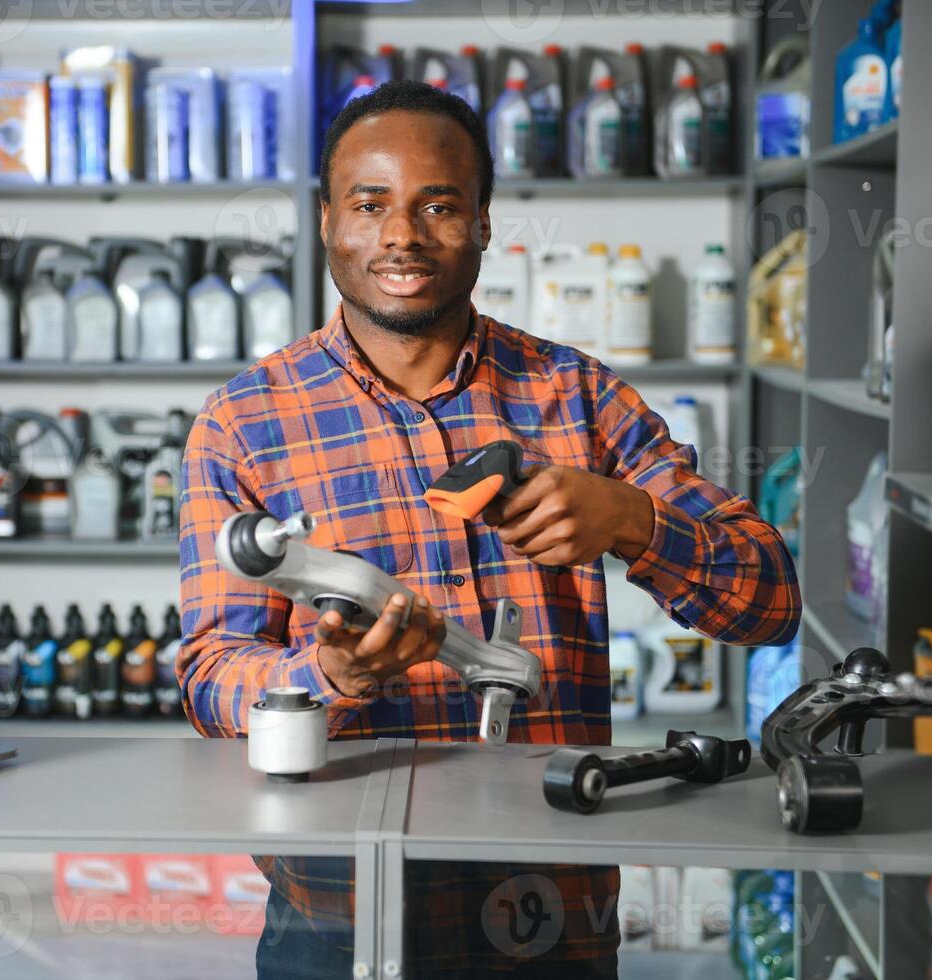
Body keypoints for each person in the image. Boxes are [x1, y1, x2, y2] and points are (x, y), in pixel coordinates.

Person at [177, 79, 801, 978]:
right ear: (325, 222)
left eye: (438, 204)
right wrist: (328, 674)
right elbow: (208, 681)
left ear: (481, 223)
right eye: (369, 205)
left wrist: (632, 519)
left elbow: (770, 601)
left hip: (549, 910)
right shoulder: (244, 422)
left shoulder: (576, 397)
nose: (400, 235)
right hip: (340, 914)